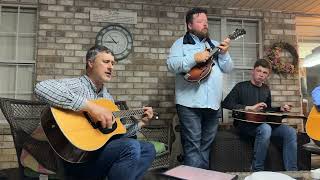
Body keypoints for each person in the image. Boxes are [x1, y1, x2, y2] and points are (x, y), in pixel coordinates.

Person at [34, 45, 156, 180]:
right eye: (106, 62)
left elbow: (116, 137)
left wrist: (141, 123)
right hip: (76, 158)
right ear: (90, 63)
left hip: (99, 157)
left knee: (148, 149)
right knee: (130, 146)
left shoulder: (108, 99)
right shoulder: (77, 85)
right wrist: (91, 108)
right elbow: (41, 88)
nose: (111, 67)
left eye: (113, 63)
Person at [166, 7, 233, 169]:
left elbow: (228, 68)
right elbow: (171, 65)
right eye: (200, 21)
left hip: (213, 104)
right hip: (189, 104)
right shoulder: (179, 43)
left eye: (206, 21)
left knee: (205, 147)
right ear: (189, 25)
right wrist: (194, 57)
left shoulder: (215, 45)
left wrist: (224, 54)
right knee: (193, 146)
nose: (205, 24)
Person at [222, 58, 297, 171]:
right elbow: (226, 103)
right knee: (266, 128)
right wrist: (249, 108)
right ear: (253, 71)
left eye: (265, 72)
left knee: (290, 132)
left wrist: (280, 108)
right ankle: (257, 169)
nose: (261, 74)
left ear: (267, 75)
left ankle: (292, 171)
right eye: (259, 71)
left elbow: (268, 110)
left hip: (262, 123)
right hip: (244, 125)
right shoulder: (240, 86)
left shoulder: (266, 89)